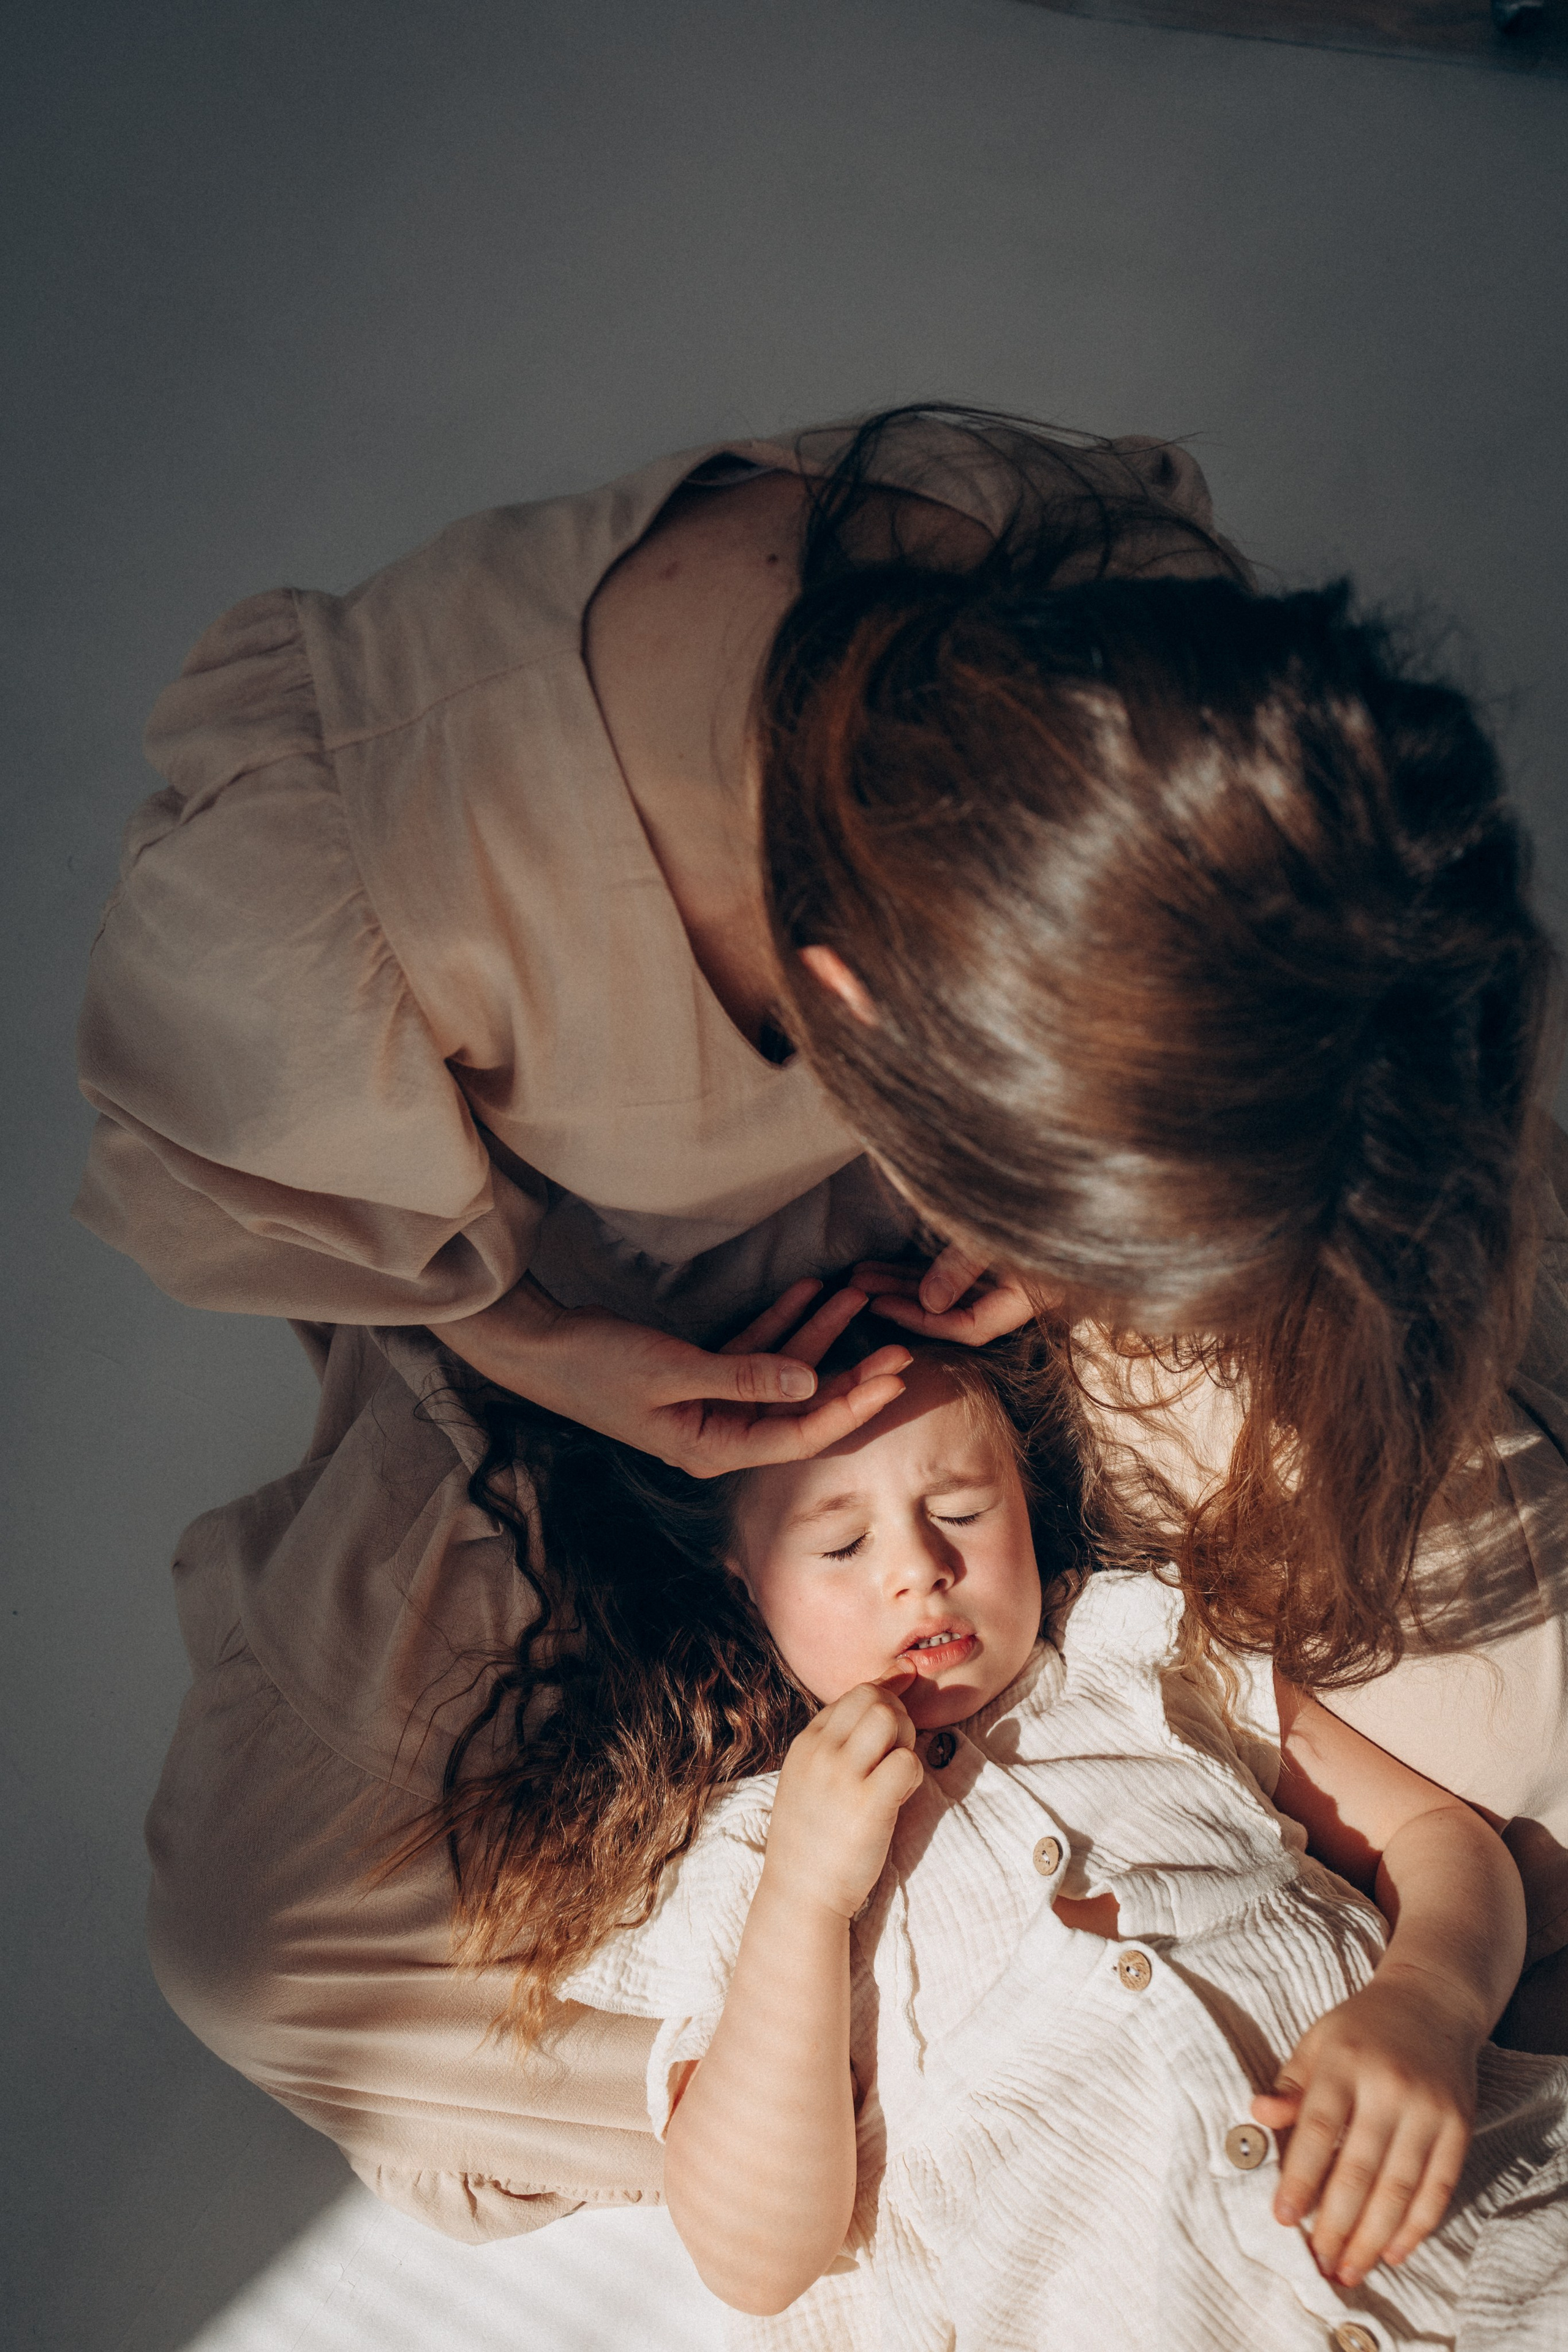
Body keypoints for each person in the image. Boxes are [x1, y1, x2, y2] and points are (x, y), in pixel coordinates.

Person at [94, 406, 1568, 2212]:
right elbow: (281, 1210)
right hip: (637, 1368)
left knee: (1525, 1777)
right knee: (272, 1932)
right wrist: (550, 1353)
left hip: (1103, 1242)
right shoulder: (363, 869)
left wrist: (1089, 1248)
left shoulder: (1134, 648)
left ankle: (1110, 1963)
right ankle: (931, 2074)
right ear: (842, 1010)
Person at [428, 1291, 1568, 2348]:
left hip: (1498, 2229)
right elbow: (756, 2258)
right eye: (842, 1545)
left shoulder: (1142, 1653)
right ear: (743, 1581)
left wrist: (1430, 2002)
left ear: (1029, 1503)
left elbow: (1439, 1840)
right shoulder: (740, 1860)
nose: (921, 1569)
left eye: (962, 1510)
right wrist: (807, 1893)